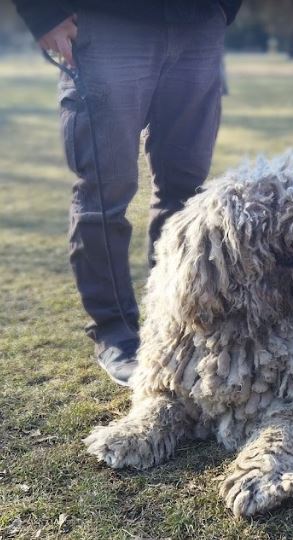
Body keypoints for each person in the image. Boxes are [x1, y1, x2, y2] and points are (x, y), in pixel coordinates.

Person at [12, 0, 242, 386]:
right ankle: (116, 334)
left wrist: (222, 10)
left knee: (186, 197)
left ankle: (174, 323)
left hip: (200, 24)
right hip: (108, 23)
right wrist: (42, 13)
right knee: (104, 196)